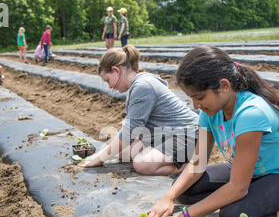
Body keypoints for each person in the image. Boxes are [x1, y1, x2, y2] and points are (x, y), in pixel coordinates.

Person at [141, 46, 279, 217]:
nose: (196, 105)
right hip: (256, 171)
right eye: (192, 98)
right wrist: (168, 197)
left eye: (199, 97)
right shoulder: (211, 112)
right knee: (186, 190)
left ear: (224, 86)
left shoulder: (251, 113)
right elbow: (197, 164)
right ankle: (256, 197)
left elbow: (237, 187)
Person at [80, 45, 199, 176]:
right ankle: (166, 156)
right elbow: (131, 129)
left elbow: (129, 132)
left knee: (142, 164)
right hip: (165, 134)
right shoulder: (139, 83)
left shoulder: (143, 86)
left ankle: (191, 166)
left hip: (187, 136)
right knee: (123, 153)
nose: (109, 86)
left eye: (108, 80)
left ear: (116, 71)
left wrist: (99, 157)